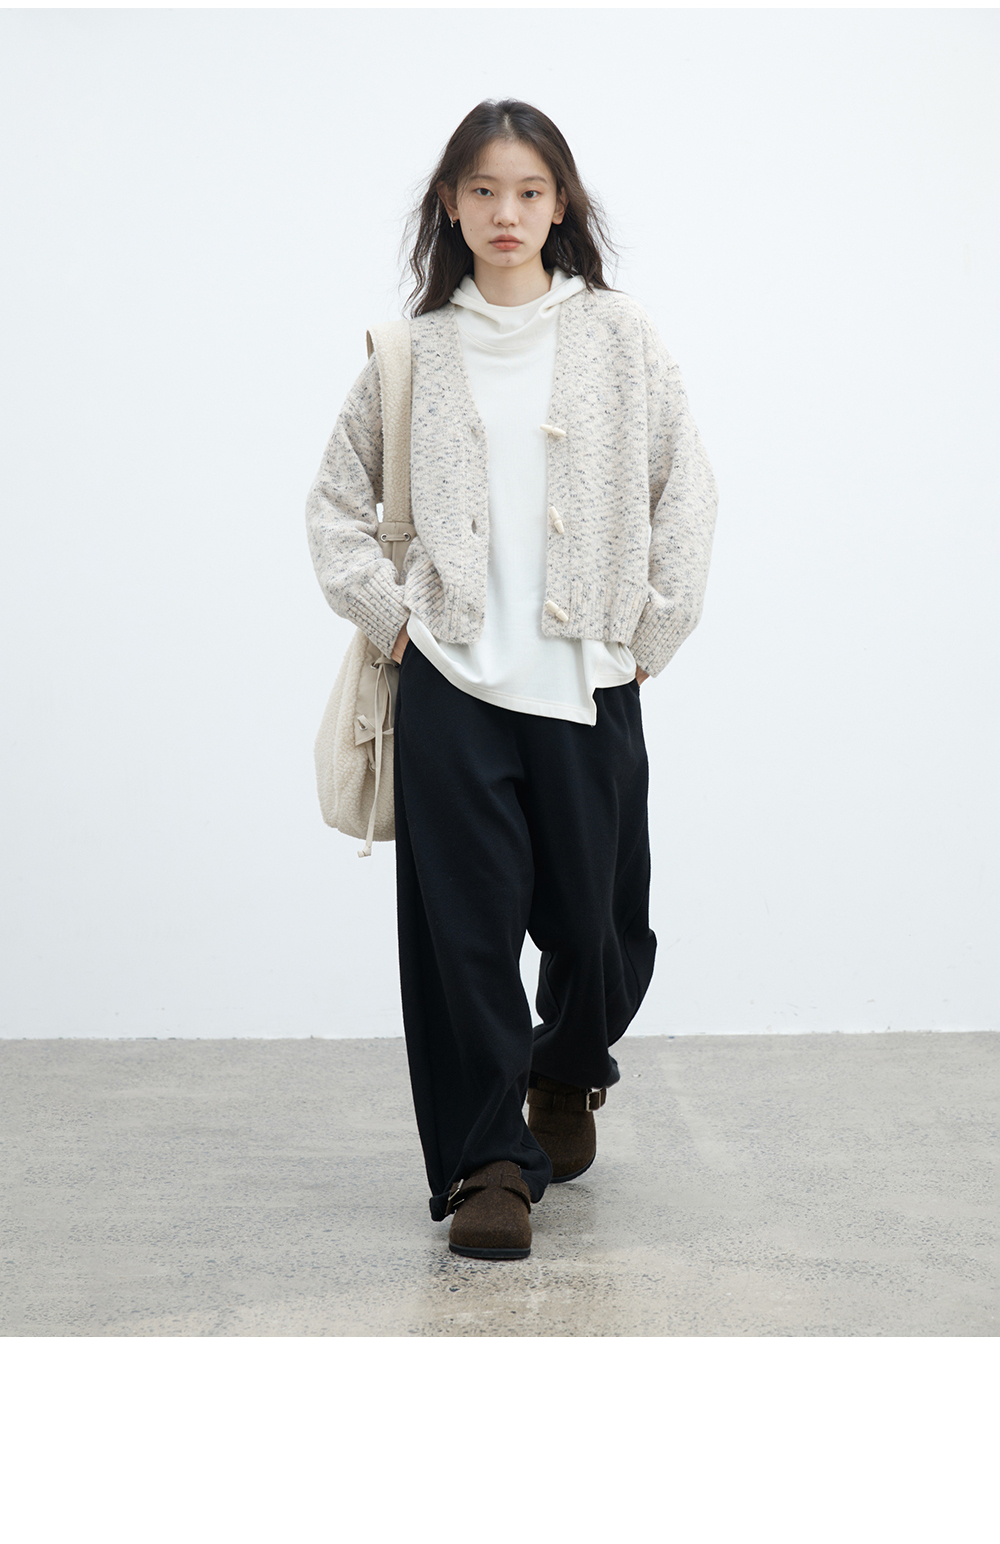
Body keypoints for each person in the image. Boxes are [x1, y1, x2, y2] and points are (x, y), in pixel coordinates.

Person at [306, 99, 717, 1260]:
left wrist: (658, 621)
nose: (505, 211)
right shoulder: (411, 352)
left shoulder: (618, 336)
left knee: (598, 928)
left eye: (528, 190)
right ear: (450, 203)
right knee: (467, 933)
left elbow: (685, 482)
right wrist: (395, 624)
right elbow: (335, 506)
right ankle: (489, 1161)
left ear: (560, 202)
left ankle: (568, 1063)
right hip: (450, 681)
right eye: (483, 190)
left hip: (589, 676)